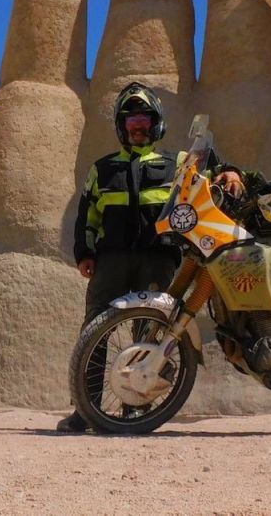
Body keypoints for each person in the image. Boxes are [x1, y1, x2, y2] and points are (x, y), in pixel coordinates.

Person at [56, 82, 243, 432]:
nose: (137, 127)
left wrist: (231, 170)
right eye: (130, 122)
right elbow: (87, 217)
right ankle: (86, 409)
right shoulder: (103, 168)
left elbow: (211, 168)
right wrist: (84, 253)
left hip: (159, 259)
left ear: (156, 124)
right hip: (110, 260)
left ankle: (135, 408)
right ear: (121, 127)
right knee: (94, 332)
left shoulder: (177, 162)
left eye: (143, 119)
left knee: (151, 334)